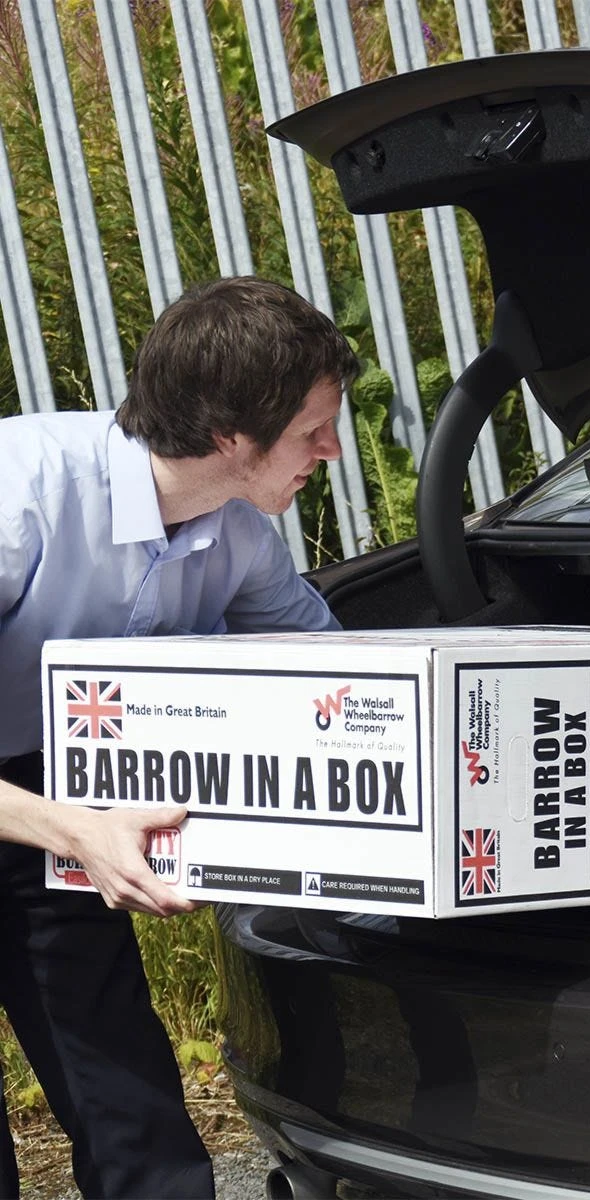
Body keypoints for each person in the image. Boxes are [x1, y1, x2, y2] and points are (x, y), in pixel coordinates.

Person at [0, 276, 358, 1198]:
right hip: (59, 814)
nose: (332, 449)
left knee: (133, 1109)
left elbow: (335, 678)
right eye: (314, 429)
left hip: (53, 799)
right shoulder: (21, 497)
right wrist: (76, 830)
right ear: (231, 434)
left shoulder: (242, 532)